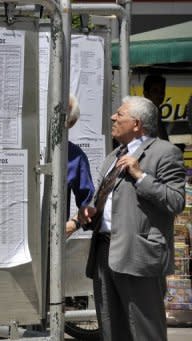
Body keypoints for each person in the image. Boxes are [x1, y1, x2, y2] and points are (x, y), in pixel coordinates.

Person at [81, 96, 185, 341]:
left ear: (137, 124)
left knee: (144, 331)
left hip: (139, 255)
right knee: (111, 329)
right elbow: (106, 201)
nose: (113, 118)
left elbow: (176, 201)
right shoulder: (113, 156)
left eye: (119, 114)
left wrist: (140, 176)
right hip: (104, 253)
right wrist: (87, 215)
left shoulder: (164, 152)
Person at [64, 95, 95, 236]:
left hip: (49, 245)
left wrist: (74, 224)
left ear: (71, 122)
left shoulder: (75, 156)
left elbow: (89, 203)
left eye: (62, 114)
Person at [143, 74, 168, 140]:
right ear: (146, 93)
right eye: (155, 91)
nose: (160, 95)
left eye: (162, 92)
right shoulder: (142, 114)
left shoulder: (158, 112)